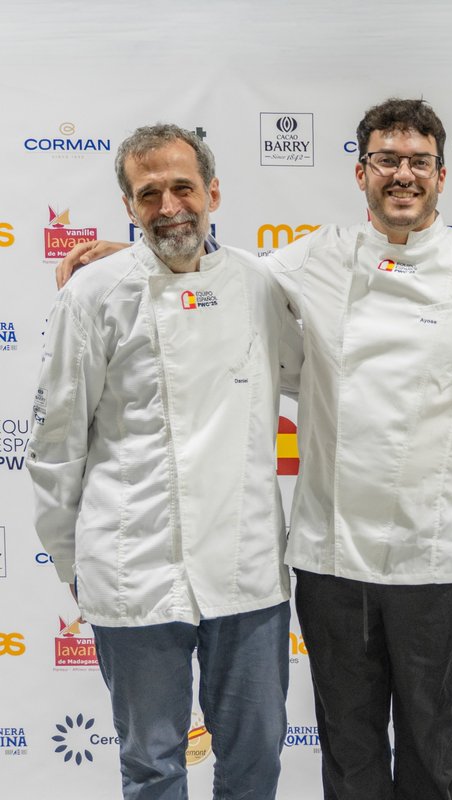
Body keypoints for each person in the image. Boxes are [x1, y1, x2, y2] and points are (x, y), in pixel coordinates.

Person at [53, 98, 452, 800]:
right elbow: (208, 268)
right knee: (347, 750)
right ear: (361, 172)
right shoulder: (308, 260)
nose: (402, 175)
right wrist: (128, 258)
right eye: (387, 161)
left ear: (442, 175)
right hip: (331, 555)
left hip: (434, 554)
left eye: (418, 163)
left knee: (432, 747)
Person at [27, 124, 301, 799]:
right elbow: (57, 440)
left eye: (183, 187)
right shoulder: (92, 296)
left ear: (213, 192)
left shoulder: (259, 284)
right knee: (152, 767)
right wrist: (70, 559)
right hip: (134, 566)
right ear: (128, 205)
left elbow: (321, 374)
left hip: (245, 570)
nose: (169, 205)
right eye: (149, 194)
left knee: (257, 758)